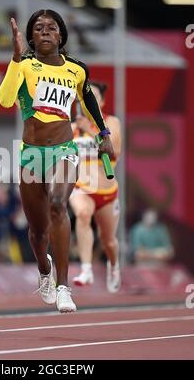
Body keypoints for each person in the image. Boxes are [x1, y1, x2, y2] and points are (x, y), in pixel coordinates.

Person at [0, 10, 114, 313]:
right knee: (37, 232)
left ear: (60, 35)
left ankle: (64, 287)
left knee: (59, 204)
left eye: (52, 28)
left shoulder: (76, 70)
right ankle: (44, 269)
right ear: (32, 37)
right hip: (32, 153)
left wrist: (104, 134)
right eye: (39, 28)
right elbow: (6, 99)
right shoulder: (24, 65)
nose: (46, 32)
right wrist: (14, 57)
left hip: (64, 149)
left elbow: (88, 101)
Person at [69, 82, 122, 292]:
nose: (88, 101)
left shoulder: (111, 123)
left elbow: (114, 150)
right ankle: (86, 268)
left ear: (101, 101)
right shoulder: (74, 128)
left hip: (107, 190)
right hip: (81, 187)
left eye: (92, 97)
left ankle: (114, 265)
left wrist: (89, 132)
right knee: (82, 214)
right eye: (83, 98)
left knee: (108, 240)